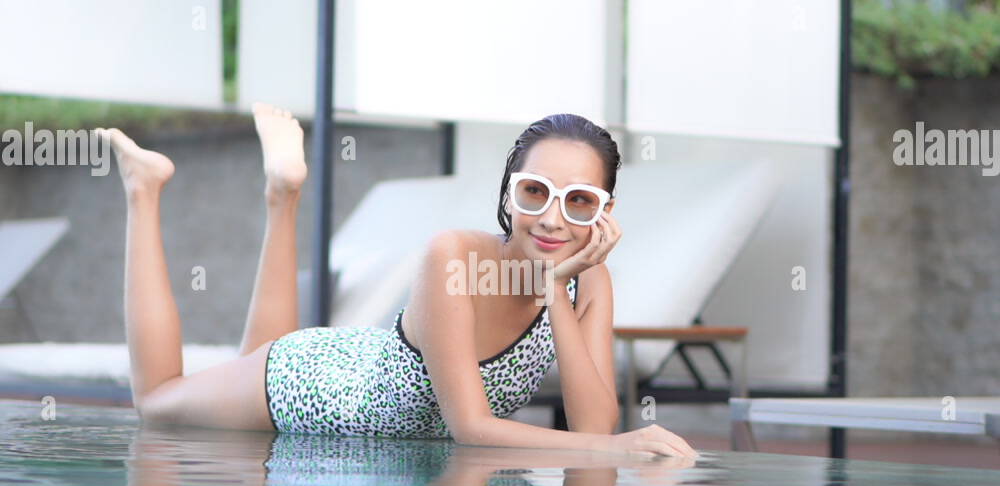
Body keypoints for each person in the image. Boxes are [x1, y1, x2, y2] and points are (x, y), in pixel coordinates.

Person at [96, 104, 697, 459]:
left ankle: (283, 192)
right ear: (508, 193)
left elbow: (592, 425)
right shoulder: (453, 256)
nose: (550, 217)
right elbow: (471, 429)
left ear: (604, 212)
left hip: (368, 370)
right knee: (156, 403)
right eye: (534, 191)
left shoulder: (589, 283)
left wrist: (560, 289)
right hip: (318, 386)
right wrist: (617, 449)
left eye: (579, 202)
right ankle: (143, 188)